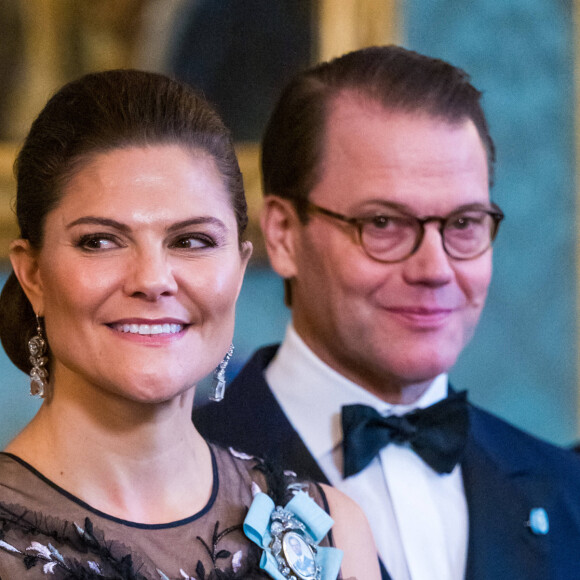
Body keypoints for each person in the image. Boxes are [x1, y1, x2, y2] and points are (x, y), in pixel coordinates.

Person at [193, 45, 580, 580]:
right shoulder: (176, 478)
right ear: (282, 234)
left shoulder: (565, 487)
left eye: (464, 224)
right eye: (382, 224)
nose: (435, 269)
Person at [0, 69, 381, 580]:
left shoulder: (331, 528)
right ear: (33, 275)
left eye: (192, 240)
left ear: (240, 270)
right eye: (101, 241)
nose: (153, 280)